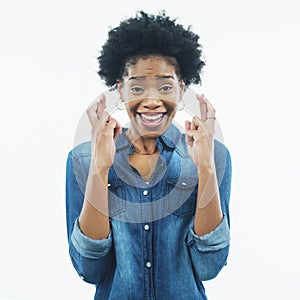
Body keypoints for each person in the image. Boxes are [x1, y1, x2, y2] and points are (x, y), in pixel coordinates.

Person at [65, 10, 232, 300]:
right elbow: (89, 269)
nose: (152, 101)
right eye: (138, 87)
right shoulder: (83, 158)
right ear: (121, 90)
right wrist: (99, 168)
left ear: (181, 90)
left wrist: (205, 168)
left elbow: (209, 266)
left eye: (165, 87)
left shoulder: (214, 155)